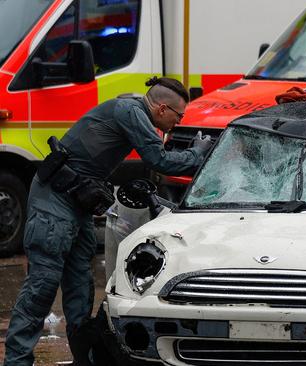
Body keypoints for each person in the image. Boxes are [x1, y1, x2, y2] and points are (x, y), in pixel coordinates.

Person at [3, 77, 212, 366]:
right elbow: (160, 161)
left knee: (80, 288)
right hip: (55, 201)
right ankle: (17, 361)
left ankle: (84, 359)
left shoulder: (131, 110)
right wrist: (199, 153)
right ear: (163, 109)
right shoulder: (131, 112)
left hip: (76, 204)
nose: (177, 123)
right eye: (179, 117)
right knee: (42, 285)